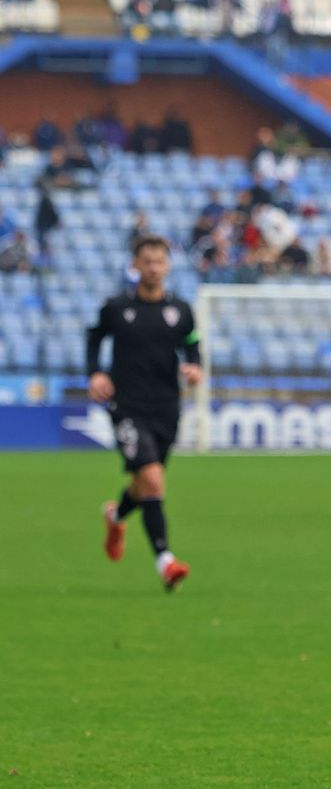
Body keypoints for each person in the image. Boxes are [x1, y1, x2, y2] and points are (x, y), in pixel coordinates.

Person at [87, 236, 202, 592]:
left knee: (143, 485)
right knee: (152, 480)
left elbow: (192, 345)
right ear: (135, 266)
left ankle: (116, 515)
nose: (153, 268)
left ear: (167, 266)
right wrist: (95, 372)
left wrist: (195, 367)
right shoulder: (116, 308)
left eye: (159, 262)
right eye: (146, 261)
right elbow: (94, 338)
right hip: (127, 407)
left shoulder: (181, 310)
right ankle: (165, 562)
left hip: (166, 407)